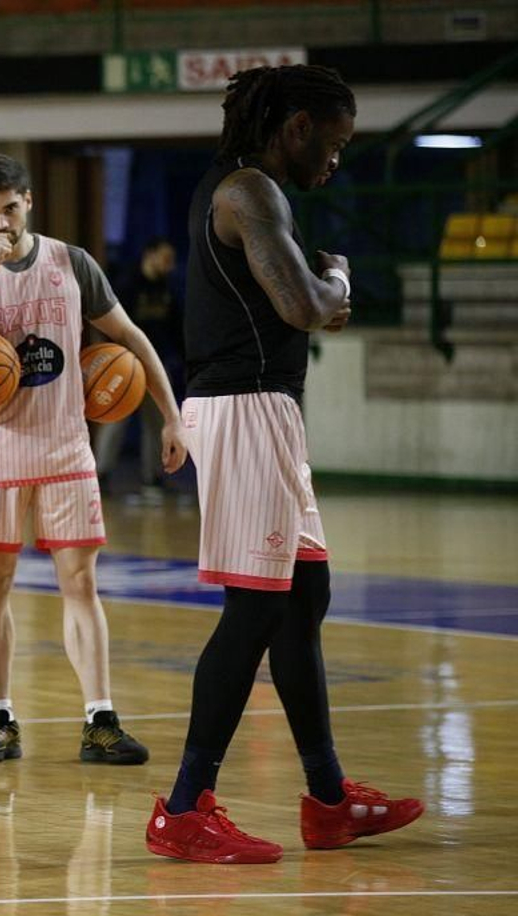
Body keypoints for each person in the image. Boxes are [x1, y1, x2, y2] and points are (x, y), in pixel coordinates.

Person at [147, 65, 422, 863]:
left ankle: (329, 801)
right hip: (243, 410)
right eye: (332, 144)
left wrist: (319, 288)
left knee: (303, 600)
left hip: (266, 410)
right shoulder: (248, 192)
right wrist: (336, 276)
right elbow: (306, 305)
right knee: (256, 611)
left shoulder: (246, 190)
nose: (335, 160)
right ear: (296, 126)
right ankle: (184, 807)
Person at [0, 154, 183, 767]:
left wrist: (172, 416)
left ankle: (100, 718)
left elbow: (130, 337)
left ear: (29, 201)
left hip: (66, 446)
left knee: (81, 583)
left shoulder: (72, 262)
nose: (1, 223)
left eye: (10, 209)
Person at [94, 237, 186, 499]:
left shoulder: (167, 288)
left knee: (158, 423)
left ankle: (153, 478)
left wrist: (184, 360)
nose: (170, 265)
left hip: (155, 366)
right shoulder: (126, 285)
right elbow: (108, 326)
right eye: (166, 259)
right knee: (115, 420)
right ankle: (101, 475)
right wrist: (112, 360)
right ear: (150, 255)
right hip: (124, 366)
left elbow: (176, 329)